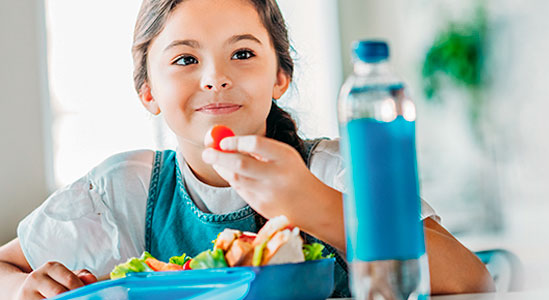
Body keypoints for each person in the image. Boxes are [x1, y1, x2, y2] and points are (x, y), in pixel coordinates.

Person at [0, 0, 495, 299]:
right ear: (147, 91)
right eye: (186, 59)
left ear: (280, 75)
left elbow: (471, 281)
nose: (215, 77)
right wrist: (25, 288)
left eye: (242, 53)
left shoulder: (332, 170)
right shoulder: (124, 192)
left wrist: (315, 207)